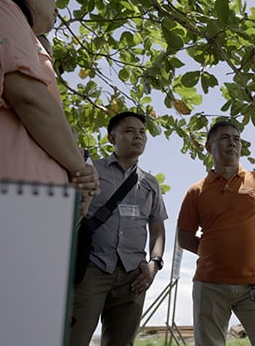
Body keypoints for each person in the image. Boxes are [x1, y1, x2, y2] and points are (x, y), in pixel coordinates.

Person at [0, 0, 98, 210]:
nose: (56, 7)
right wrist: (81, 169)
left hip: (23, 209)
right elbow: (29, 98)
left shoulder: (26, 36)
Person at [177, 120, 255, 346]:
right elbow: (184, 237)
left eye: (236, 139)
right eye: (224, 138)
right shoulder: (196, 191)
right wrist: (216, 253)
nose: (232, 143)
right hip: (209, 285)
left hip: (254, 284)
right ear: (209, 147)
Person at [70, 111, 168, 346]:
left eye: (142, 132)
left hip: (134, 275)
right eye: (130, 131)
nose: (138, 136)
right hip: (92, 268)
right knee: (74, 339)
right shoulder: (91, 169)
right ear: (112, 138)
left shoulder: (150, 183)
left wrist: (155, 263)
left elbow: (157, 226)